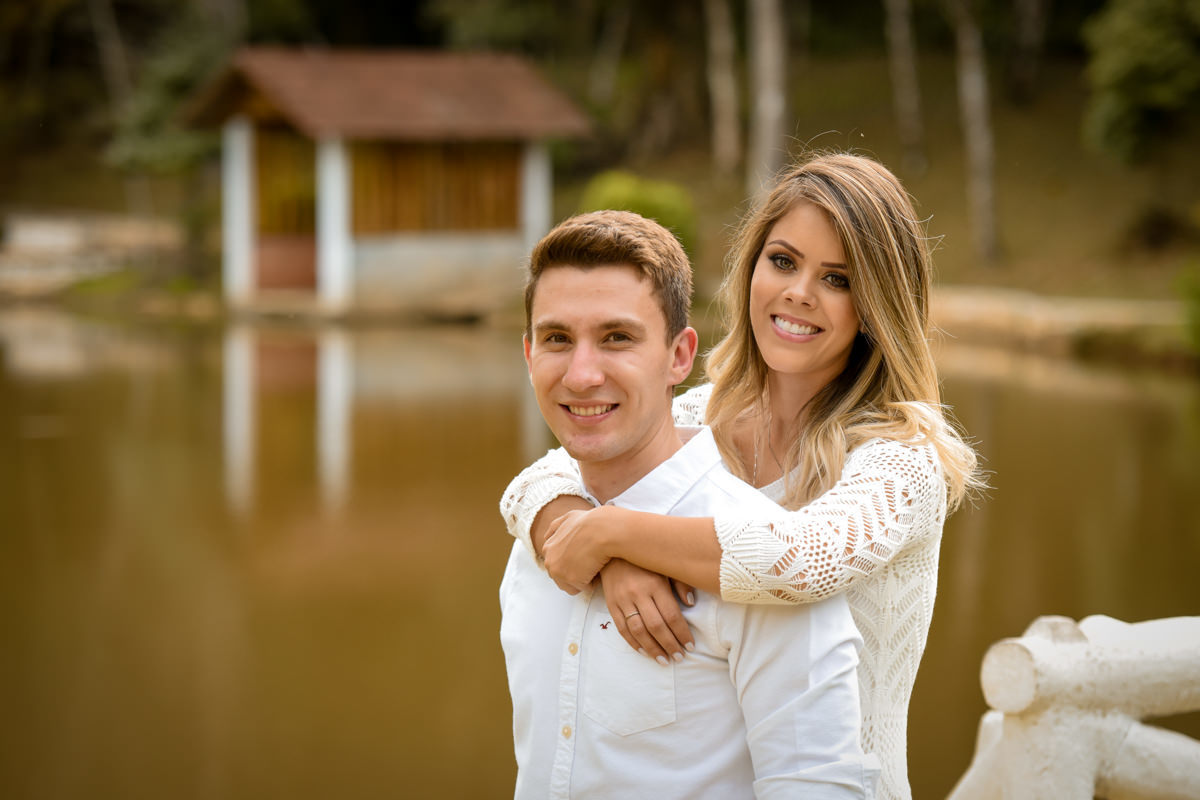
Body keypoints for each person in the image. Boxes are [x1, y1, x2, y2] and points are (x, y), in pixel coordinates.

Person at [500, 153, 984, 800]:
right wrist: (597, 549)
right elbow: (542, 477)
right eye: (782, 261)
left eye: (837, 278)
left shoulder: (903, 454)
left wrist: (612, 532)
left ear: (875, 303)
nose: (798, 293)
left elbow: (798, 562)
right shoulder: (708, 413)